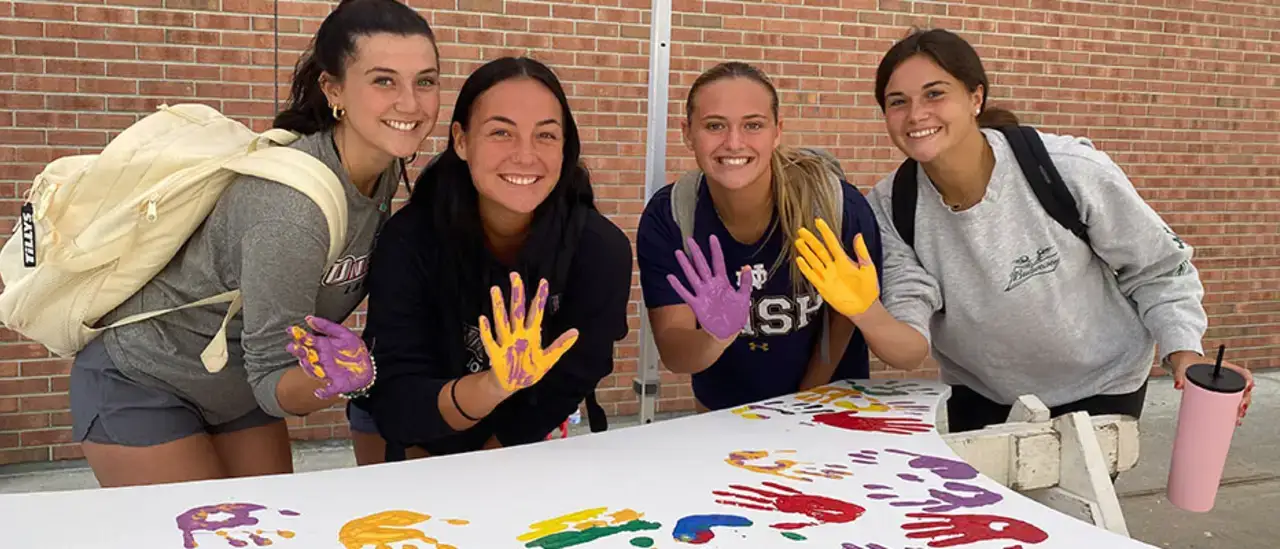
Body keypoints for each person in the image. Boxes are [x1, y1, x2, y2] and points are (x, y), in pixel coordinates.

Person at [68, 0, 442, 487]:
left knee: (272, 531)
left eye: (426, 81)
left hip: (233, 388)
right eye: (384, 80)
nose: (410, 104)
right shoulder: (290, 212)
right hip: (145, 378)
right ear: (334, 89)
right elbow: (275, 381)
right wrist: (342, 380)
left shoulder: (385, 169)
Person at [863, 28, 1254, 433]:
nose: (915, 115)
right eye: (898, 102)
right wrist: (868, 313)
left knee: (1073, 500)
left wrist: (1184, 351)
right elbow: (909, 311)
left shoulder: (1067, 170)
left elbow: (1158, 267)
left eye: (934, 94)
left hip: (1101, 385)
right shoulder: (891, 207)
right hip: (984, 393)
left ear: (975, 98)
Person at [346, 56, 633, 464]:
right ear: (461, 140)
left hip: (515, 431)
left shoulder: (599, 250)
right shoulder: (410, 239)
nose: (525, 155)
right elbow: (399, 403)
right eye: (501, 132)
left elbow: (570, 378)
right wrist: (493, 385)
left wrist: (493, 457)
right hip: (409, 429)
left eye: (546, 136)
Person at [636, 61, 911, 413]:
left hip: (829, 405)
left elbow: (843, 324)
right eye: (714, 125)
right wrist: (715, 337)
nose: (734, 143)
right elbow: (676, 354)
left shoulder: (834, 205)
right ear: (687, 132)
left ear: (777, 131)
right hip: (725, 412)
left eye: (753, 125)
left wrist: (806, 396)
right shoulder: (672, 216)